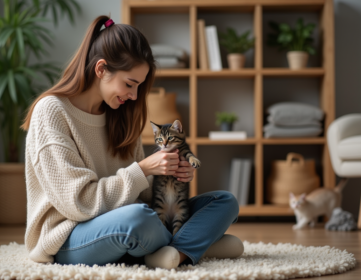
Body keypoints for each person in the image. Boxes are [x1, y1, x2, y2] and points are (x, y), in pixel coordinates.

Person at [21, 15, 243, 269]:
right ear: (101, 69)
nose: (134, 95)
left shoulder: (120, 115)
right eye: (129, 84)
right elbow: (79, 204)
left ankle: (175, 251)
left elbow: (144, 195)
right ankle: (196, 244)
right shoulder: (52, 111)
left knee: (225, 202)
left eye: (139, 86)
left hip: (127, 223)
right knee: (138, 219)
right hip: (68, 235)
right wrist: (144, 168)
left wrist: (171, 174)